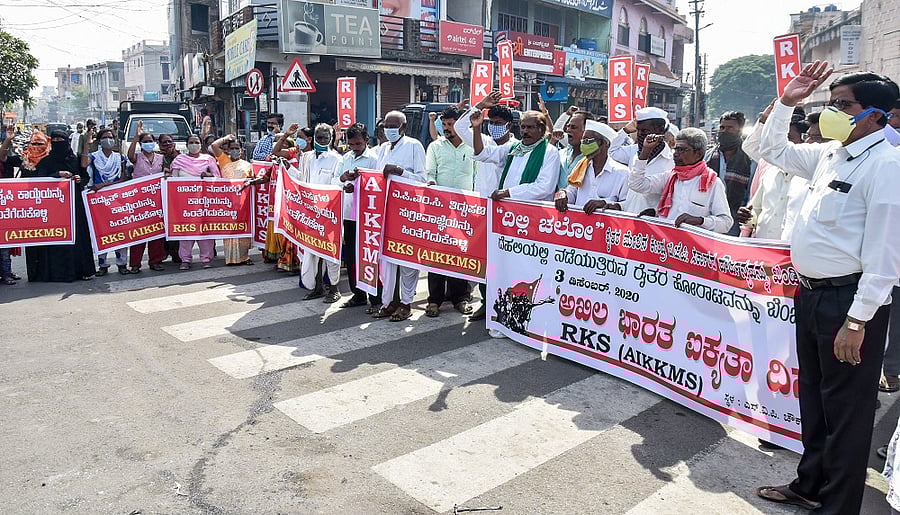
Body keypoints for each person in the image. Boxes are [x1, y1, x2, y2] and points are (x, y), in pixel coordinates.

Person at [754, 65, 900, 515]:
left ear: (877, 116)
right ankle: (810, 484)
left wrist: (858, 320)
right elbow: (767, 147)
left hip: (849, 304)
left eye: (845, 105)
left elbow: (885, 255)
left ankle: (838, 506)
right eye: (832, 103)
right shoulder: (830, 155)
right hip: (812, 294)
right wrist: (788, 101)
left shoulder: (886, 166)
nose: (834, 113)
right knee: (815, 400)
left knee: (847, 412)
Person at [453, 93, 519, 321]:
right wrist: (480, 106)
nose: (494, 128)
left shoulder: (516, 148)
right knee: (484, 260)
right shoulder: (485, 142)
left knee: (504, 262)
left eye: (499, 124)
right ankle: (486, 301)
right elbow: (462, 127)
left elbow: (484, 155)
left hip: (505, 213)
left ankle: (503, 304)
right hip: (481, 210)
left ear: (509, 126)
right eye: (491, 124)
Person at [0, 127, 95, 282]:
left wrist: (79, 179)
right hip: (43, 208)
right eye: (34, 143)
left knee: (76, 237)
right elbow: (41, 178)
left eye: (60, 141)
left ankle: (81, 270)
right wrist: (56, 175)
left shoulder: (73, 158)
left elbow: (84, 175)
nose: (37, 147)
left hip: (72, 206)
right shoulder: (38, 160)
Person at [370, 110, 427, 322]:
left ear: (403, 128)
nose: (389, 129)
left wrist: (400, 171)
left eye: (393, 126)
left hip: (407, 212)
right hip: (385, 210)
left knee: (407, 259)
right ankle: (389, 302)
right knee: (388, 259)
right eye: (386, 125)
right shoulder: (382, 148)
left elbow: (422, 180)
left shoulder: (414, 146)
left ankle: (406, 303)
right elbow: (377, 177)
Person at [423, 106, 476, 318]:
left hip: (465, 209)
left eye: (451, 124)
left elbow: (477, 177)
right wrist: (432, 183)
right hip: (440, 208)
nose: (447, 128)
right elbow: (430, 173)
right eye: (444, 124)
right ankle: (434, 299)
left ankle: (460, 297)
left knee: (460, 252)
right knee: (436, 253)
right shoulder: (435, 147)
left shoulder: (473, 148)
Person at [628, 128, 732, 233]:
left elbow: (726, 223)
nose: (676, 154)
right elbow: (637, 184)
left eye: (682, 150)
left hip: (693, 246)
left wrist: (700, 221)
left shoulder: (712, 182)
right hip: (666, 243)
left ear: (699, 154)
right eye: (675, 149)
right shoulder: (670, 177)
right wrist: (646, 151)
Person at [738, 104, 808, 239]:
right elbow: (756, 211)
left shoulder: (810, 177)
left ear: (804, 140)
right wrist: (747, 217)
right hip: (762, 249)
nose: (783, 144)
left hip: (792, 253)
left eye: (789, 138)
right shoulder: (770, 170)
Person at [336, 123, 379, 310]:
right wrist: (343, 180)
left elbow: (378, 185)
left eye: (358, 144)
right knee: (352, 256)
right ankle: (358, 294)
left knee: (370, 256)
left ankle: (376, 298)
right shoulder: (346, 158)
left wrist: (358, 187)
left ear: (366, 141)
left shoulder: (374, 159)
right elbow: (336, 180)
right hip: (349, 215)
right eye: (351, 144)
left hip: (368, 217)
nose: (355, 148)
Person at [298, 124, 344, 303]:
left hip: (329, 214)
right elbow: (302, 180)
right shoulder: (308, 157)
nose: (321, 141)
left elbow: (336, 185)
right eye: (318, 137)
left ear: (331, 139)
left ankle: (334, 288)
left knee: (331, 253)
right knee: (312, 251)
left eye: (325, 138)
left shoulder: (336, 159)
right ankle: (317, 287)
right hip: (310, 214)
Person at [607, 107, 674, 215]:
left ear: (660, 130)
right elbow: (611, 151)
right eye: (638, 130)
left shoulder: (671, 160)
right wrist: (625, 130)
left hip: (652, 223)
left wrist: (655, 212)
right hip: (628, 216)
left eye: (645, 131)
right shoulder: (634, 151)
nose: (640, 134)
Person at [170, 134, 221, 270]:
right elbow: (173, 182)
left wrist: (209, 175)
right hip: (184, 204)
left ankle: (206, 258)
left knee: (205, 230)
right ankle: (185, 259)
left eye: (196, 142)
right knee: (186, 231)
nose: (194, 145)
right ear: (187, 145)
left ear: (201, 144)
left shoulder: (208, 159)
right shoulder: (179, 160)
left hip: (203, 203)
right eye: (191, 142)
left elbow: (218, 178)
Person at [554, 120, 628, 213]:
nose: (583, 144)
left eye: (586, 141)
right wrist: (563, 194)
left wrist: (605, 203)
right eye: (582, 141)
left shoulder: (622, 173)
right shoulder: (582, 167)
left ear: (601, 143)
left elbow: (627, 204)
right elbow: (572, 192)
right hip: (580, 224)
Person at [83, 127, 128, 275]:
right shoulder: (94, 156)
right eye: (105, 137)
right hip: (98, 201)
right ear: (100, 141)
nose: (108, 140)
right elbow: (84, 165)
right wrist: (87, 144)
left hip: (116, 198)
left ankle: (122, 263)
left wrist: (103, 185)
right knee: (101, 231)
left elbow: (122, 178)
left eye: (110, 137)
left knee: (120, 230)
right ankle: (103, 264)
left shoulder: (119, 157)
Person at [705, 111, 757, 235]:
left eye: (730, 128)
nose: (724, 131)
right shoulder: (708, 156)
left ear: (739, 131)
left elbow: (752, 192)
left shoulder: (750, 159)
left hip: (736, 218)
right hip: (710, 216)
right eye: (722, 127)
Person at [126, 122, 166, 272]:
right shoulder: (137, 157)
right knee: (138, 232)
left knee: (157, 231)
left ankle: (155, 261)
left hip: (156, 199)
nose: (148, 144)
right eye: (145, 142)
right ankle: (135, 264)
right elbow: (130, 155)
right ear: (141, 144)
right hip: (139, 200)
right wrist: (136, 136)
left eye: (150, 141)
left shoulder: (160, 158)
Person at [211, 134, 254, 266]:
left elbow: (252, 181)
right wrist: (226, 138)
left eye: (237, 148)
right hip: (227, 201)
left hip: (243, 201)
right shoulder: (224, 161)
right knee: (229, 229)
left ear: (241, 150)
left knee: (243, 228)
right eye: (232, 148)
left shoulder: (247, 165)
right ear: (228, 150)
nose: (235, 151)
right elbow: (214, 146)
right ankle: (231, 258)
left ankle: (244, 257)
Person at [557, 110, 595, 192]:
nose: (568, 130)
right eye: (568, 126)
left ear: (587, 130)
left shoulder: (593, 158)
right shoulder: (561, 153)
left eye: (573, 127)